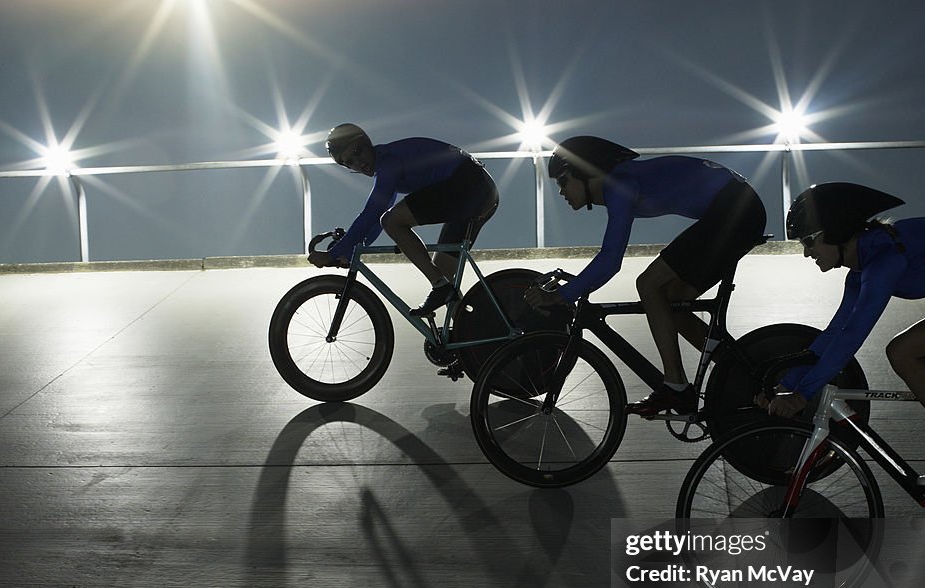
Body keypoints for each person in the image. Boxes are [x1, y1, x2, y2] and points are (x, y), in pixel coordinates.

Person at [766, 181, 925, 488]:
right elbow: (835, 333)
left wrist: (803, 394)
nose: (807, 254)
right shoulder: (862, 270)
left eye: (808, 242)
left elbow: (854, 335)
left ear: (836, 230)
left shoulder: (885, 256)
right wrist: (787, 382)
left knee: (903, 351)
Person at [524, 135, 767, 416]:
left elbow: (611, 260)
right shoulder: (622, 182)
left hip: (735, 211)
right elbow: (609, 258)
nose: (561, 191)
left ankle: (676, 385)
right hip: (736, 209)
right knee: (672, 304)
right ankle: (737, 368)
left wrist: (564, 295)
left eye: (563, 181)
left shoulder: (619, 185)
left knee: (649, 284)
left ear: (586, 172)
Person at [309, 123, 499, 316]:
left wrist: (335, 253)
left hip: (469, 185)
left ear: (367, 143)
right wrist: (350, 250)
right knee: (440, 268)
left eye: (357, 152)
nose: (358, 162)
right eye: (349, 162)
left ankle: (439, 286)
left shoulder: (388, 162)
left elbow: (373, 213)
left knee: (393, 221)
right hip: (479, 190)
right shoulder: (388, 167)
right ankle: (470, 330)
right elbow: (375, 220)